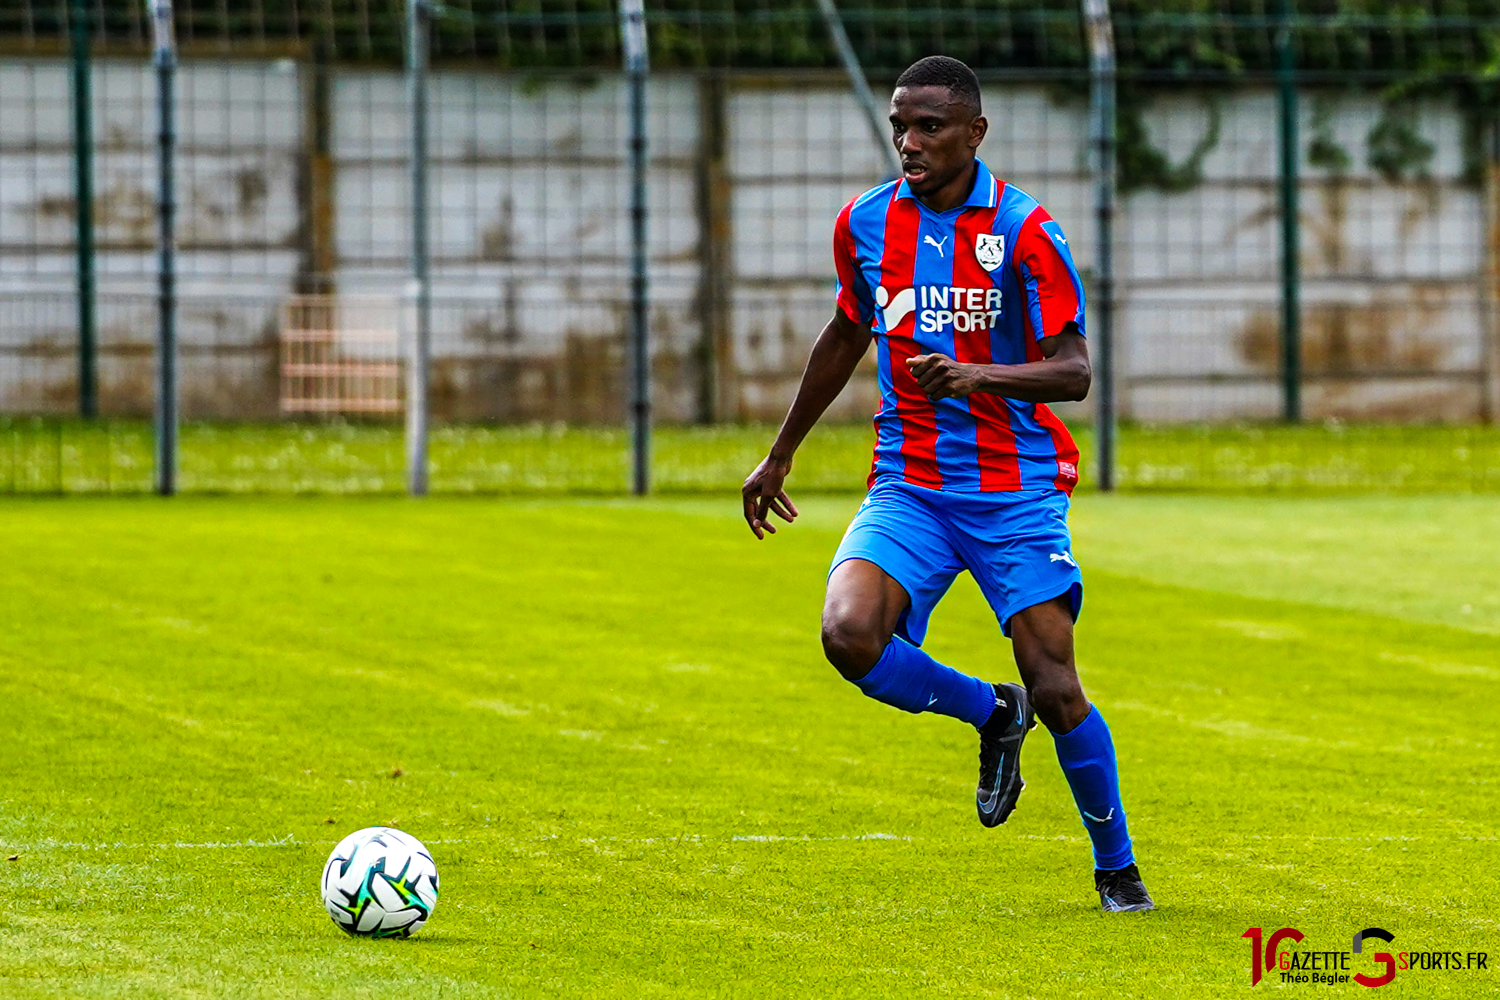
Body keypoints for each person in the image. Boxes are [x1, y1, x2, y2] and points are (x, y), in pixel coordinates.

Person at [740, 55, 1153, 912]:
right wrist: (780, 453)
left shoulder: (1027, 232)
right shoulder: (864, 225)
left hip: (1015, 489)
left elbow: (1074, 372)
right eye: (900, 125)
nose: (909, 142)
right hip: (911, 486)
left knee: (1056, 679)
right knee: (849, 635)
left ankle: (1116, 865)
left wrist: (977, 376)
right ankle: (990, 713)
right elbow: (847, 333)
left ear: (975, 132)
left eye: (928, 126)